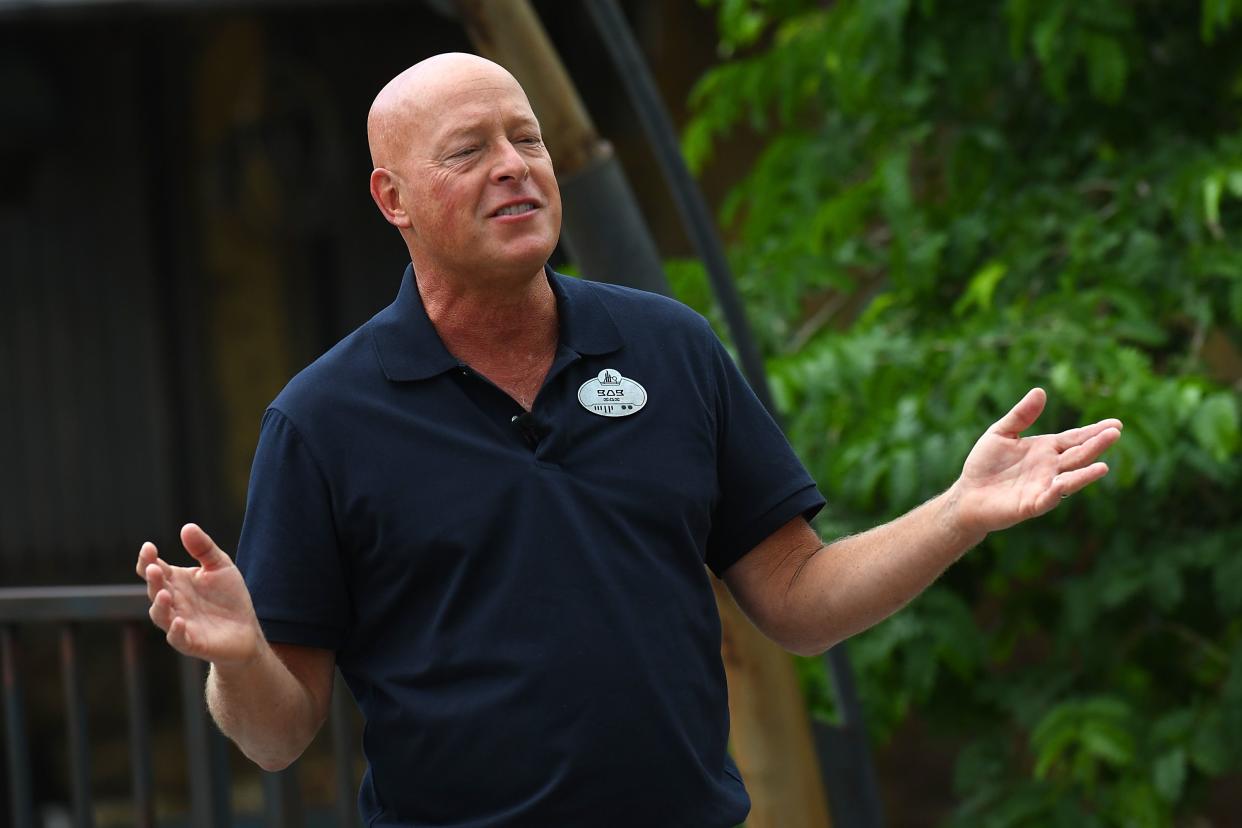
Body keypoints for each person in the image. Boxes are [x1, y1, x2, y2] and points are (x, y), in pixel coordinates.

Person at [135, 53, 1122, 827]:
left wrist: (957, 512)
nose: (515, 167)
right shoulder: (325, 419)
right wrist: (237, 658)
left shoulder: (670, 346)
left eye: (527, 138)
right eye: (469, 150)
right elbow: (277, 735)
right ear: (393, 200)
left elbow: (800, 604)